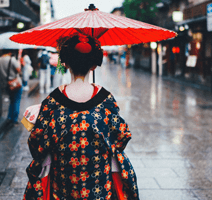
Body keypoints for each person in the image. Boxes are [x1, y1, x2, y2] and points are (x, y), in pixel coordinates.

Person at [21, 34, 140, 200]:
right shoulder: (105, 99)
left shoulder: (53, 101)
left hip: (63, 184)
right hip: (99, 184)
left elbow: (36, 143)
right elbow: (122, 135)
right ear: (93, 65)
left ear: (66, 63)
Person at [0, 49, 22, 124]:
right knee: (16, 100)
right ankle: (14, 119)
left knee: (11, 100)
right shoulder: (12, 59)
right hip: (15, 83)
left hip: (5, 84)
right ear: (9, 52)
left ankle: (9, 117)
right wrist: (18, 61)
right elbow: (19, 70)